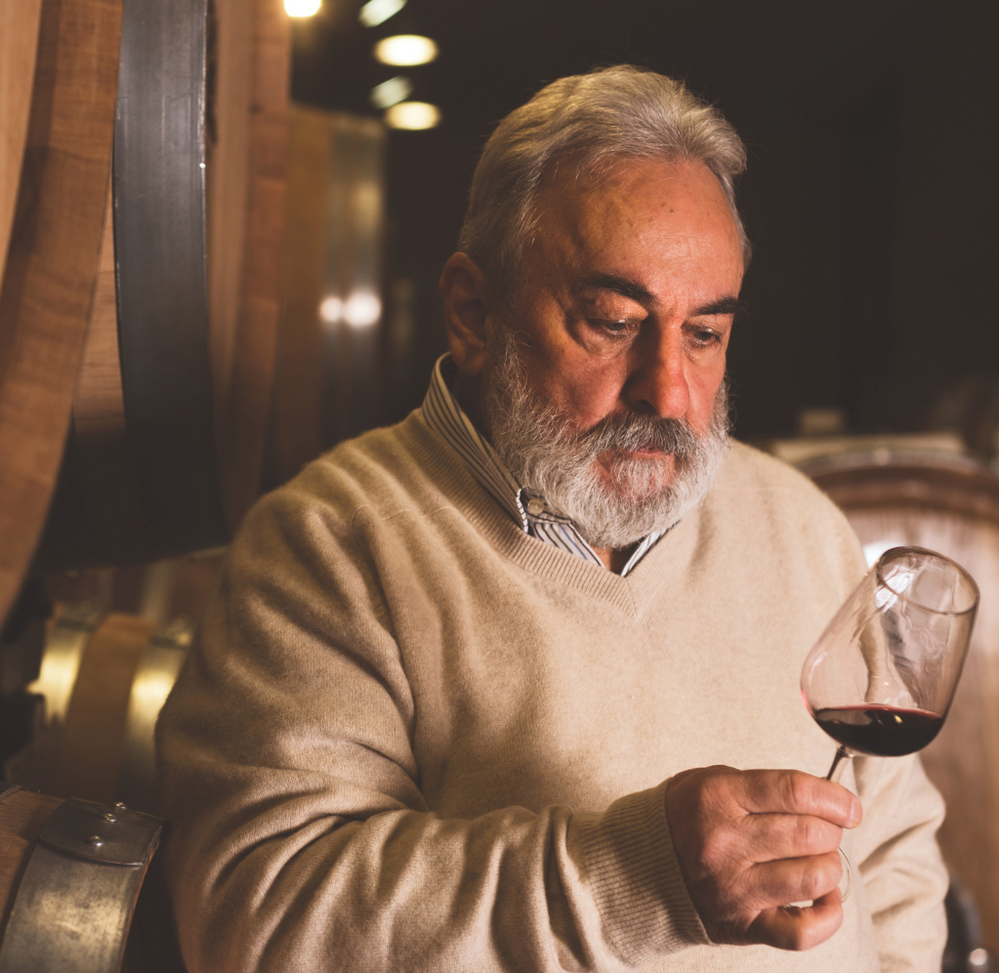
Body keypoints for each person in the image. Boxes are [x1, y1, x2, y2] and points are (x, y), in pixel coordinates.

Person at [157, 65, 948, 972]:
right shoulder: (334, 543)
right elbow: (258, 917)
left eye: (705, 333)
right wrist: (634, 878)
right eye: (613, 320)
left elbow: (893, 856)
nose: (669, 390)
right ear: (474, 312)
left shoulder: (797, 522)